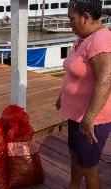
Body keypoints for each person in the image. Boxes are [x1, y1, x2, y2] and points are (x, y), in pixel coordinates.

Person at [55, 1, 111, 188]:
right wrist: (62, 95)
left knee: (89, 168)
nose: (69, 22)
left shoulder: (100, 39)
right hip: (76, 114)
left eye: (72, 18)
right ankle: (73, 186)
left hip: (91, 119)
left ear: (86, 16)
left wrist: (89, 118)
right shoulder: (83, 37)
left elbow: (106, 79)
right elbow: (75, 72)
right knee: (75, 155)